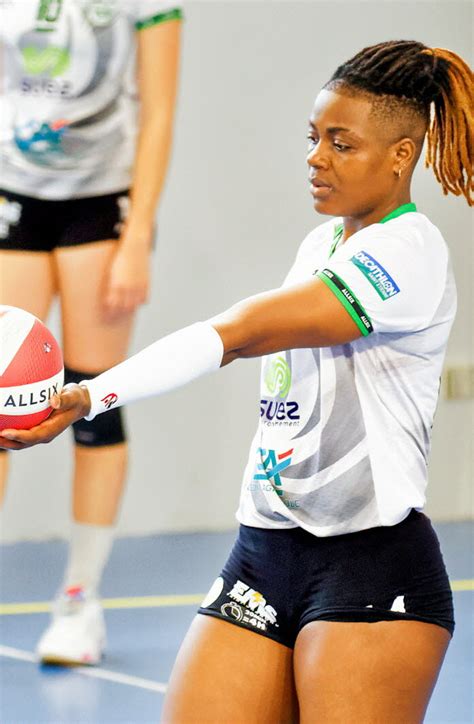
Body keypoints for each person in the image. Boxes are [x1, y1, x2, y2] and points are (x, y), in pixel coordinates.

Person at [1, 39, 472, 721]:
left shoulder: (410, 251)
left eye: (341, 143)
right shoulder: (324, 244)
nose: (316, 157)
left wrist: (88, 395)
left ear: (402, 156)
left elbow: (240, 334)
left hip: (370, 566)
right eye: (314, 138)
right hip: (264, 550)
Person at [0, 1, 182, 665]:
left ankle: (79, 600)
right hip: (11, 197)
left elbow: (159, 109)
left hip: (98, 206)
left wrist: (136, 236)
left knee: (91, 402)